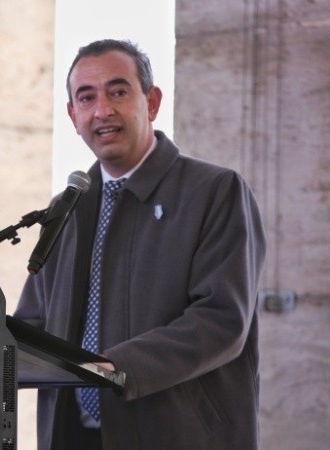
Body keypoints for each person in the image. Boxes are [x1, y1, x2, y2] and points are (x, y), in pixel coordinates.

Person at [14, 39, 266, 450]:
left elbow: (221, 320)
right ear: (73, 116)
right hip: (72, 437)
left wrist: (112, 369)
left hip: (179, 436)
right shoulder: (67, 208)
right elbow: (34, 323)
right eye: (87, 98)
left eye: (118, 92)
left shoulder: (215, 191)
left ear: (151, 102)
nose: (102, 111)